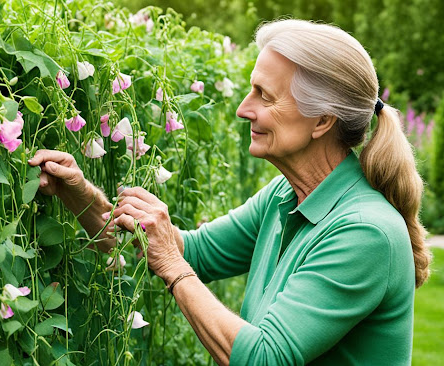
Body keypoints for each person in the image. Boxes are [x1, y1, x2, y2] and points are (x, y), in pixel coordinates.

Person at [27, 19, 431, 365]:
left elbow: (264, 357)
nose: (242, 108)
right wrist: (81, 194)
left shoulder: (365, 232)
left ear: (322, 119)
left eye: (264, 96)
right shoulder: (284, 196)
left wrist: (171, 263)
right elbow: (189, 251)